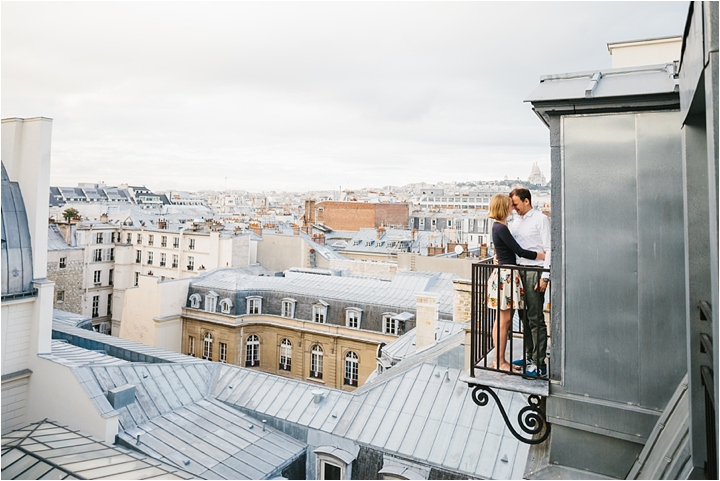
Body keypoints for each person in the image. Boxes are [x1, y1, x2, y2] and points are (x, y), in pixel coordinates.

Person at [486, 194, 546, 372]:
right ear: (504, 208)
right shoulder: (502, 227)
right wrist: (541, 256)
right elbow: (518, 250)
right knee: (504, 321)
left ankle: (499, 359)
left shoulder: (500, 226)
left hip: (504, 274)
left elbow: (505, 249)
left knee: (501, 320)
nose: (513, 207)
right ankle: (500, 361)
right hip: (507, 275)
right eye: (510, 205)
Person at [509, 187, 551, 377]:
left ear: (526, 201)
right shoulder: (515, 222)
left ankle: (539, 362)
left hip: (534, 271)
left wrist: (545, 276)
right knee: (524, 317)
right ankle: (529, 356)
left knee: (535, 318)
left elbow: (549, 249)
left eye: (516, 204)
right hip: (519, 271)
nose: (514, 208)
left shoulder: (541, 219)